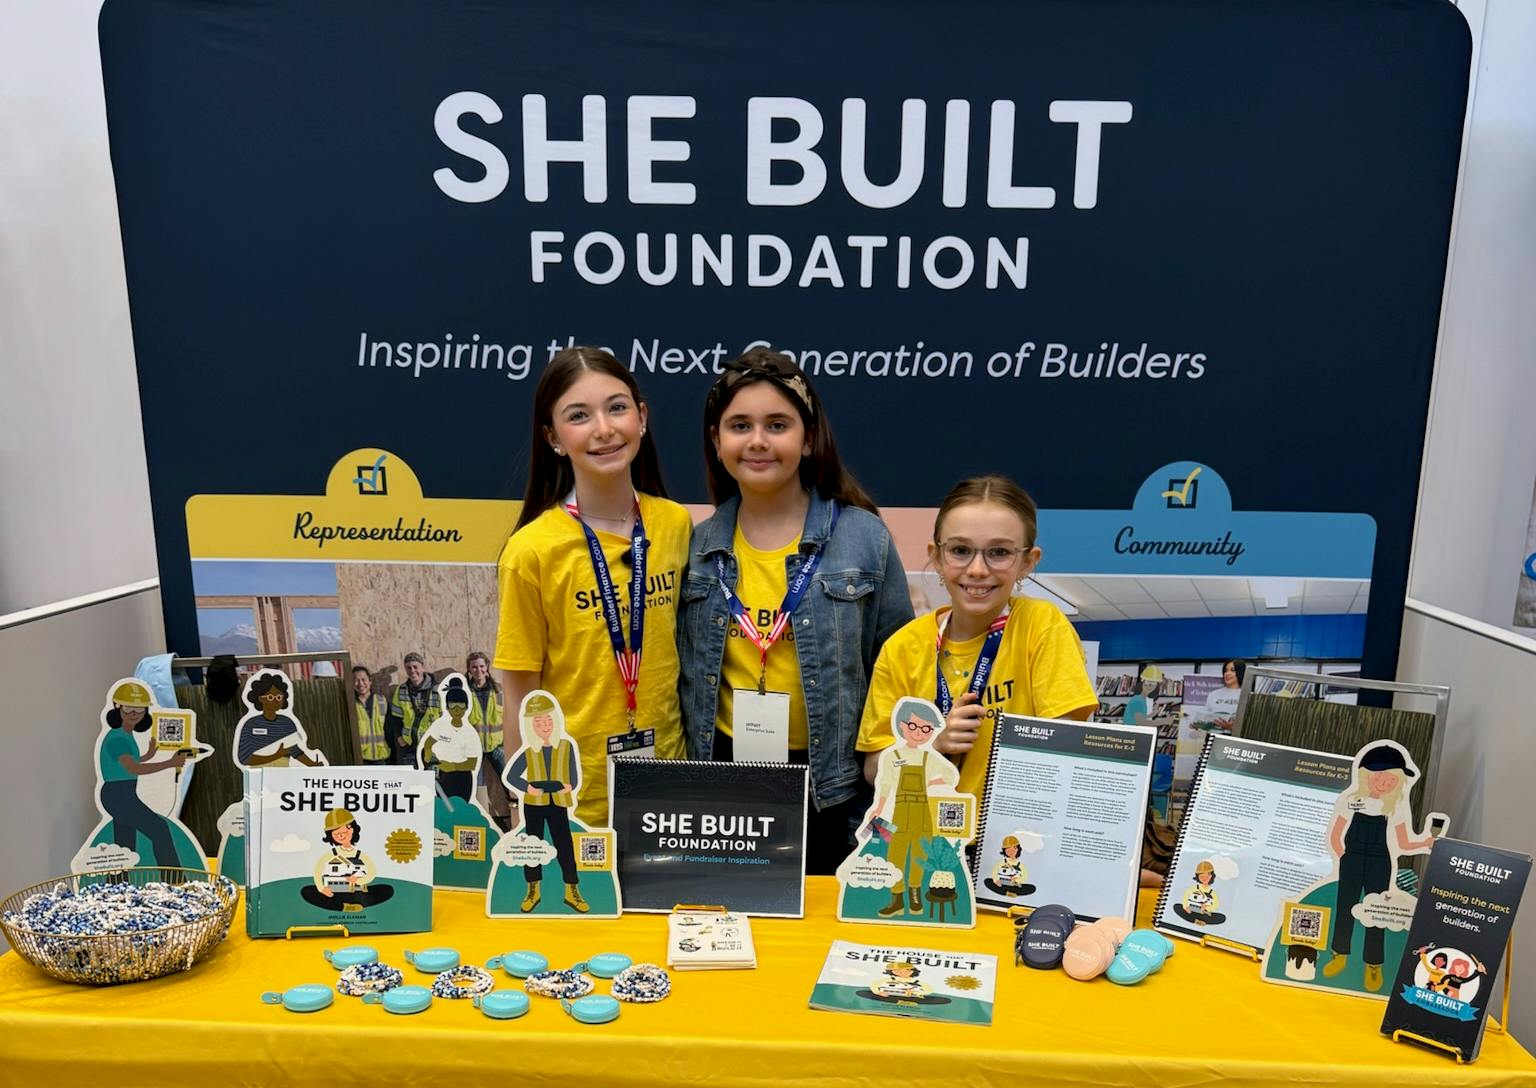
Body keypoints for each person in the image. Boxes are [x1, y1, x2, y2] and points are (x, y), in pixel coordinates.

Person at [678, 347, 912, 874]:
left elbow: (897, 668)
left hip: (834, 789)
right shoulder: (695, 547)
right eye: (740, 425)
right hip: (725, 780)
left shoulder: (863, 538)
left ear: (808, 440)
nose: (758, 440)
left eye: (777, 424)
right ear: (717, 442)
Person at [494, 347, 689, 828]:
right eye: (579, 416)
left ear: (641, 418)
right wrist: (525, 807)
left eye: (617, 407)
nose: (604, 428)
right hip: (575, 799)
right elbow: (521, 694)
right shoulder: (532, 551)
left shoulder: (676, 524)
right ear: (554, 437)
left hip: (676, 785)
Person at [858, 475, 1099, 809]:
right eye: (960, 550)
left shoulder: (1041, 626)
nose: (977, 569)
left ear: (1027, 562)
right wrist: (932, 745)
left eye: (999, 552)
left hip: (1013, 838)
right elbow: (874, 769)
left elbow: (1064, 745)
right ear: (937, 557)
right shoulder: (903, 647)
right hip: (924, 836)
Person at [1322, 743, 1436, 992]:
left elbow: (1404, 842)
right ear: (1366, 775)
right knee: (1345, 907)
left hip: (1380, 863)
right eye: (1380, 776)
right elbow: (1335, 836)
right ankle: (1339, 954)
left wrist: (1427, 843)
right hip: (1351, 860)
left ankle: (1373, 964)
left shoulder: (1396, 807)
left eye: (1392, 778)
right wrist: (1344, 858)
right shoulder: (1350, 800)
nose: (1385, 782)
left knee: (1376, 913)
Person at [863, 698, 958, 917]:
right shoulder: (892, 756)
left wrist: (929, 783)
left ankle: (915, 896)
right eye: (913, 726)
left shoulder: (929, 757)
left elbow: (950, 775)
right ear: (902, 725)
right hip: (899, 810)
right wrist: (879, 807)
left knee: (919, 855)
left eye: (925, 728)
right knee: (895, 853)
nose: (918, 732)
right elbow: (885, 783)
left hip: (922, 812)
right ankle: (896, 898)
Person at [504, 692, 587, 913]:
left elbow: (574, 776)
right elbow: (511, 776)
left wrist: (569, 785)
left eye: (548, 720)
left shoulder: (567, 746)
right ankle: (533, 889)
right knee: (533, 845)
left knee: (564, 844)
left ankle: (572, 889)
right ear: (531, 726)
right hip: (534, 803)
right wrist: (527, 788)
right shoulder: (529, 751)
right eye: (539, 722)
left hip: (559, 802)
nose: (545, 725)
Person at [94, 680, 189, 867]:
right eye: (128, 708)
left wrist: (148, 755)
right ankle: (174, 879)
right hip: (118, 795)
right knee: (160, 830)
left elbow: (125, 762)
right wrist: (170, 763)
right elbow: (133, 768)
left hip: (122, 793)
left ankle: (117, 885)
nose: (134, 714)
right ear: (117, 707)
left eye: (139, 709)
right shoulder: (118, 737)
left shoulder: (124, 734)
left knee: (124, 846)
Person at [300, 808, 394, 912]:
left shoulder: (359, 854)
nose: (341, 836)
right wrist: (321, 888)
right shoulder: (332, 854)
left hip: (355, 892)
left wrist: (358, 880)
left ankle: (352, 904)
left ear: (352, 829)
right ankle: (345, 907)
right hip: (334, 892)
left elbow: (371, 872)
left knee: (387, 889)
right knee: (307, 891)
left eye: (344, 832)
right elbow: (318, 869)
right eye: (336, 834)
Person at [234, 670, 324, 768]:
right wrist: (276, 755)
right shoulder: (251, 724)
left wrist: (312, 764)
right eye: (270, 697)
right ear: (260, 698)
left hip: (283, 774)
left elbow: (295, 751)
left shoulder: (287, 723)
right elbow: (244, 758)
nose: (275, 701)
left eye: (278, 697)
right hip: (259, 775)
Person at [466, 650, 511, 830]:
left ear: (487, 667)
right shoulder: (464, 692)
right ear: (469, 670)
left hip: (497, 746)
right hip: (473, 749)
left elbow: (510, 717)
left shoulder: (500, 690)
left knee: (510, 784)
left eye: (481, 666)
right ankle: (482, 826)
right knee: (477, 790)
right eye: (474, 667)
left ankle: (517, 822)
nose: (478, 670)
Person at [418, 675, 480, 801]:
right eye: (452, 706)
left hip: (462, 778)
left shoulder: (469, 733)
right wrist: (428, 757)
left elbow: (472, 763)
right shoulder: (440, 726)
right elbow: (428, 743)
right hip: (442, 777)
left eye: (461, 706)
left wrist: (453, 766)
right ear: (446, 706)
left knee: (460, 810)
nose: (457, 710)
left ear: (466, 707)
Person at [388, 652, 437, 766]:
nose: (412, 670)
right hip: (409, 746)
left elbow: (445, 718)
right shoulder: (401, 690)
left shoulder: (438, 690)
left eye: (415, 667)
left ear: (423, 667)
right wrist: (399, 737)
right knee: (411, 782)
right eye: (408, 668)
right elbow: (395, 718)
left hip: (432, 745)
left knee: (432, 780)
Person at [352, 665, 390, 765]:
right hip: (360, 758)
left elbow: (390, 728)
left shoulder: (382, 701)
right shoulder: (351, 705)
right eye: (356, 680)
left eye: (363, 679)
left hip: (381, 756)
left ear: (370, 681)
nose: (360, 684)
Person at [1209, 658, 1246, 730]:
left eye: (1232, 670)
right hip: (1214, 736)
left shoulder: (1247, 695)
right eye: (1226, 670)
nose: (1227, 673)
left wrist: (1233, 728)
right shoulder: (1213, 694)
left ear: (1240, 672)